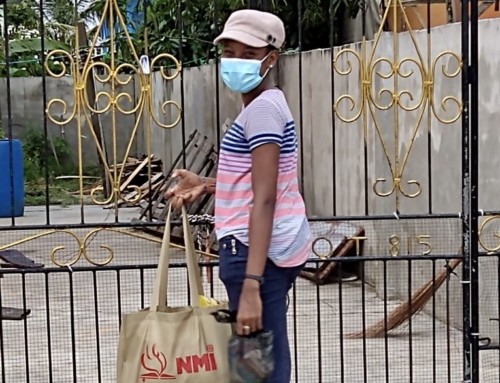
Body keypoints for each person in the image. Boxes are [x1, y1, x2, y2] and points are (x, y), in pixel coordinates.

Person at [165, 9, 312, 383]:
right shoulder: (264, 105)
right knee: (259, 361)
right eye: (229, 52)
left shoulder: (262, 111)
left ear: (271, 58)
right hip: (262, 250)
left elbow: (265, 199)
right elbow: (262, 181)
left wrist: (251, 286)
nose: (235, 62)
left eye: (248, 54)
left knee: (260, 368)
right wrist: (207, 183)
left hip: (253, 254)